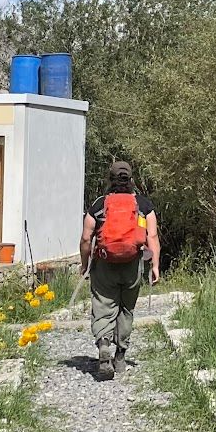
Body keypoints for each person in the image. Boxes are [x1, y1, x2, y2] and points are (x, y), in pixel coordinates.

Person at [80, 160, 160, 379]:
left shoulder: (99, 204)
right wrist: (155, 266)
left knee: (103, 305)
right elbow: (152, 236)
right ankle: (120, 355)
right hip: (133, 265)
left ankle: (103, 345)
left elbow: (87, 237)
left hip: (104, 264)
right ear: (131, 180)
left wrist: (85, 263)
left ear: (110, 180)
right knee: (126, 309)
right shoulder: (144, 205)